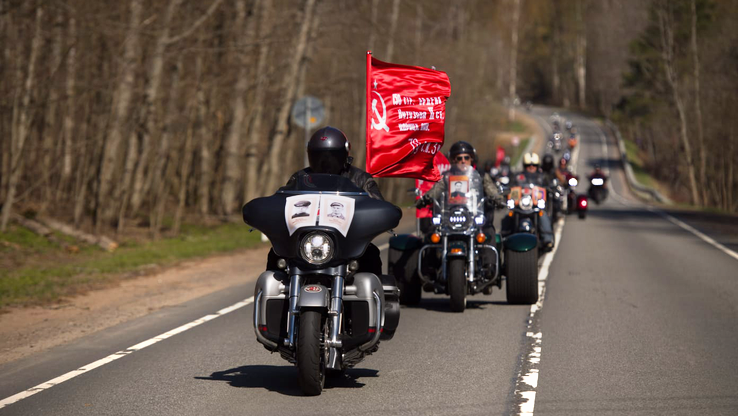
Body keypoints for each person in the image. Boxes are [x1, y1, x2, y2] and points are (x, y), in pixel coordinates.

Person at [265, 126, 389, 275]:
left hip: (348, 240)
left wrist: (377, 215)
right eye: (319, 156)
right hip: (305, 239)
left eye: (332, 156)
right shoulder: (299, 178)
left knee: (370, 254)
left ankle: (376, 296)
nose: (325, 162)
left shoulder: (360, 178)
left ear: (344, 154)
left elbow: (377, 204)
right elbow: (284, 202)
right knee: (276, 254)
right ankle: (268, 296)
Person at [415, 141, 505, 235]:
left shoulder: (481, 176)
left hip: (475, 218)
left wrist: (498, 198)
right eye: (459, 158)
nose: (463, 161)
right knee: (432, 235)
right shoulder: (447, 177)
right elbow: (436, 189)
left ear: (472, 159)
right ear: (454, 160)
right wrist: (426, 198)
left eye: (466, 157)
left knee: (488, 235)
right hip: (451, 217)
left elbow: (491, 189)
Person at [502, 152, 555, 251]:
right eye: (528, 165)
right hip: (520, 206)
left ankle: (547, 239)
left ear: (537, 165)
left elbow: (549, 187)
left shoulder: (543, 176)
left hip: (535, 206)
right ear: (524, 166)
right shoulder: (517, 176)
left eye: (534, 165)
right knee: (508, 216)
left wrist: (551, 188)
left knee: (542, 215)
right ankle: (504, 238)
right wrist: (506, 191)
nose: (531, 167)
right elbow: (510, 187)